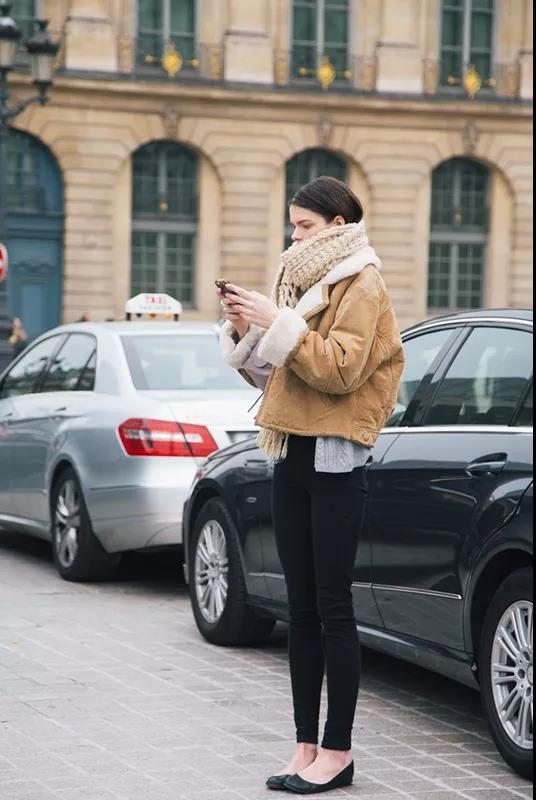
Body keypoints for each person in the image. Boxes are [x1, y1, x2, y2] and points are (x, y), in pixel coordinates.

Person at [218, 176, 405, 795]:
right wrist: (250, 329)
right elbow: (277, 377)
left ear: (338, 223)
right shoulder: (300, 281)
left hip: (335, 461)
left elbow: (342, 370)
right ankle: (305, 746)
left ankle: (339, 751)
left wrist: (281, 322)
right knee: (299, 611)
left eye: (304, 225)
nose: (293, 235)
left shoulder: (362, 281)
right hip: (289, 450)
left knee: (332, 609)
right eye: (292, 224)